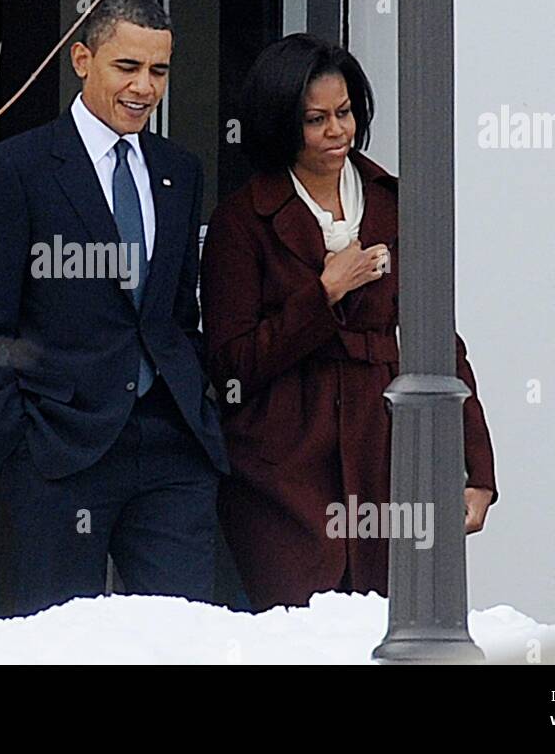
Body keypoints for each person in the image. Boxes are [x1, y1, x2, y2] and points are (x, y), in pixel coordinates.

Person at [0, 0, 229, 616]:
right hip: (57, 449)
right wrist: (16, 445)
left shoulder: (178, 170)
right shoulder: (16, 169)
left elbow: (177, 312)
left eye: (158, 71)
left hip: (170, 445)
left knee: (184, 639)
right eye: (126, 68)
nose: (144, 88)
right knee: (55, 641)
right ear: (82, 60)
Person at [199, 33, 497, 610]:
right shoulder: (240, 221)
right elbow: (232, 364)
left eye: (345, 113)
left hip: (384, 452)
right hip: (281, 466)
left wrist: (476, 466)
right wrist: (325, 292)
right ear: (280, 122)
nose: (337, 131)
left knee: (384, 628)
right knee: (299, 634)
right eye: (315, 119)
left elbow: (440, 341)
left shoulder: (394, 201)